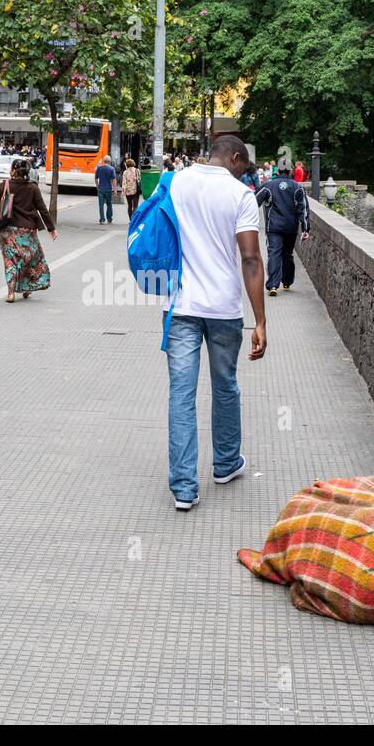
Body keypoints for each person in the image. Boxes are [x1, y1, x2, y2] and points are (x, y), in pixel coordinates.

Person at [162, 135, 267, 511]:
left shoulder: (176, 182)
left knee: (181, 394)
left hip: (180, 304)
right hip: (223, 308)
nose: (245, 174)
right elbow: (251, 258)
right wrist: (261, 321)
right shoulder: (239, 196)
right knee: (225, 386)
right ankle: (225, 464)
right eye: (245, 167)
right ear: (235, 158)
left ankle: (184, 489)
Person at [0, 158, 57, 302]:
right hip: (27, 232)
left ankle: (11, 293)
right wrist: (51, 228)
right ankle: (27, 287)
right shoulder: (32, 187)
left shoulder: (5, 185)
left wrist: (5, 207)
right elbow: (43, 210)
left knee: (10, 260)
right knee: (29, 259)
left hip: (8, 231)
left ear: (13, 170)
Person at [255, 172, 310, 296]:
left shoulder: (268, 186)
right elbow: (303, 208)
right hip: (291, 227)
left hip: (273, 227)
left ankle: (273, 285)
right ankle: (287, 281)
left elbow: (253, 202)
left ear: (277, 172)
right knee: (287, 254)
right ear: (290, 172)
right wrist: (306, 229)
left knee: (274, 252)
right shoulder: (297, 187)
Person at [95, 154, 118, 224]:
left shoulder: (99, 168)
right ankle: (109, 219)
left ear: (104, 161)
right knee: (109, 204)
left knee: (101, 205)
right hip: (108, 189)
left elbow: (96, 178)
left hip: (101, 189)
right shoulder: (111, 169)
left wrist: (97, 186)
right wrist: (115, 189)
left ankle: (102, 219)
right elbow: (114, 180)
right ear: (109, 161)